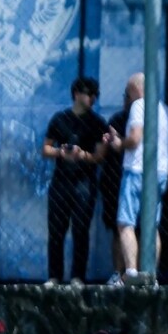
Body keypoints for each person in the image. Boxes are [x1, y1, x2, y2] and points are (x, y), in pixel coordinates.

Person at [105, 73, 168, 285]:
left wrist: (118, 143)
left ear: (134, 89)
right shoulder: (163, 108)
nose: (126, 97)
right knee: (151, 226)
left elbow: (134, 139)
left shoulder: (138, 106)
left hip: (137, 169)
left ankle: (132, 272)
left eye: (127, 92)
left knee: (125, 223)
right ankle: (151, 274)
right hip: (159, 171)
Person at [41, 76, 108, 287]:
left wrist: (82, 155)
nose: (92, 98)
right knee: (56, 230)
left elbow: (100, 156)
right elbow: (46, 148)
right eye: (89, 94)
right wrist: (60, 152)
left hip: (84, 183)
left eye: (95, 95)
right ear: (77, 94)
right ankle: (54, 276)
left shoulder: (97, 123)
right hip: (61, 181)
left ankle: (77, 276)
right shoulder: (59, 119)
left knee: (80, 230)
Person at [99, 88, 134, 287]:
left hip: (133, 177)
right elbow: (104, 150)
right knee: (117, 228)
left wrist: (119, 142)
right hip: (114, 178)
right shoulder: (117, 119)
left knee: (136, 229)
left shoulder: (145, 119)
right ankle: (118, 272)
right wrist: (110, 141)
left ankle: (136, 272)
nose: (125, 101)